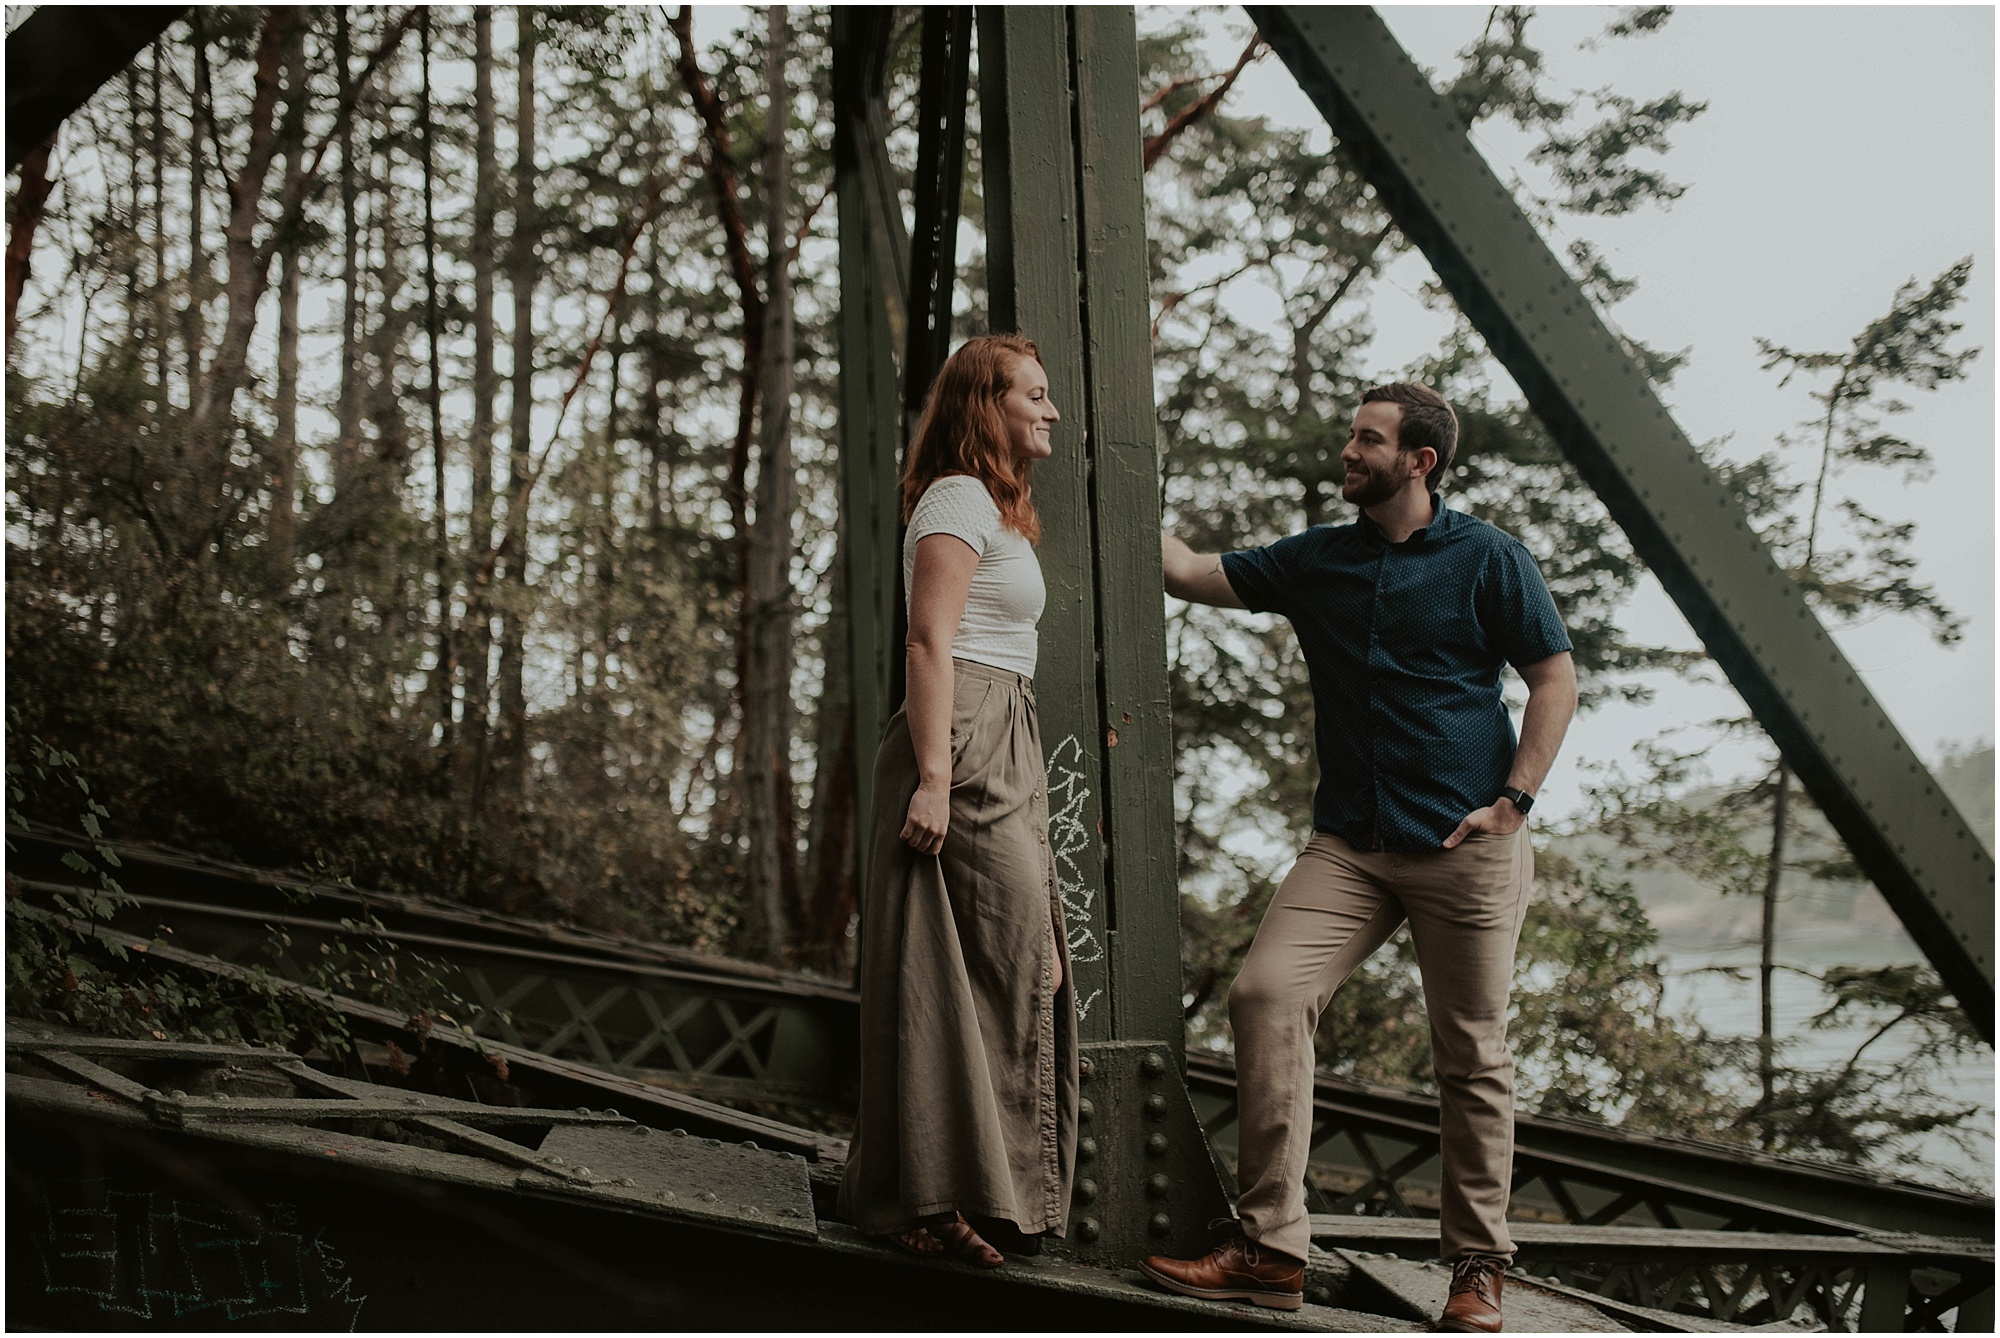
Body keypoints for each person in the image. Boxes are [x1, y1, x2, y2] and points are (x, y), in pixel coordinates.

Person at [1140, 382, 1578, 1330]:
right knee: (1265, 996)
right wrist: (1113, 478)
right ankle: (1270, 1250)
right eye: (1351, 434)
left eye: (1368, 439)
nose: (1348, 449)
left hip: (1464, 847)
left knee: (1470, 1054)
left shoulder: (1489, 558)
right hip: (1349, 846)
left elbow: (1554, 675)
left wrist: (1514, 801)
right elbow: (1185, 571)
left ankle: (1476, 1266)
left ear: (1419, 462)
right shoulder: (1319, 560)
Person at [837, 333, 1080, 1269]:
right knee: (983, 962)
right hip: (965, 734)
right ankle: (925, 1197)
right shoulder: (955, 498)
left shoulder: (998, 507)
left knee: (1033, 964)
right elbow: (929, 643)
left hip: (1004, 729)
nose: (1050, 411)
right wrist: (935, 776)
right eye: (1035, 395)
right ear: (990, 405)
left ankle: (976, 1192)